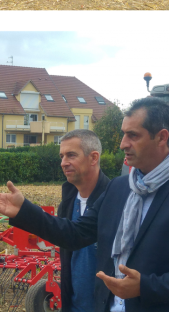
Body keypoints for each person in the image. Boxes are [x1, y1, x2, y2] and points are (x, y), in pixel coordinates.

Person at [0, 97, 169, 312]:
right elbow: (75, 235)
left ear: (162, 137)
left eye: (133, 135)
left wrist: (146, 287)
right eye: (123, 134)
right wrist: (24, 210)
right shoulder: (119, 188)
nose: (122, 144)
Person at [56, 129, 110, 312]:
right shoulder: (66, 205)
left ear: (94, 157)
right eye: (62, 156)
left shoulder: (115, 202)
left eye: (71, 155)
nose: (64, 163)